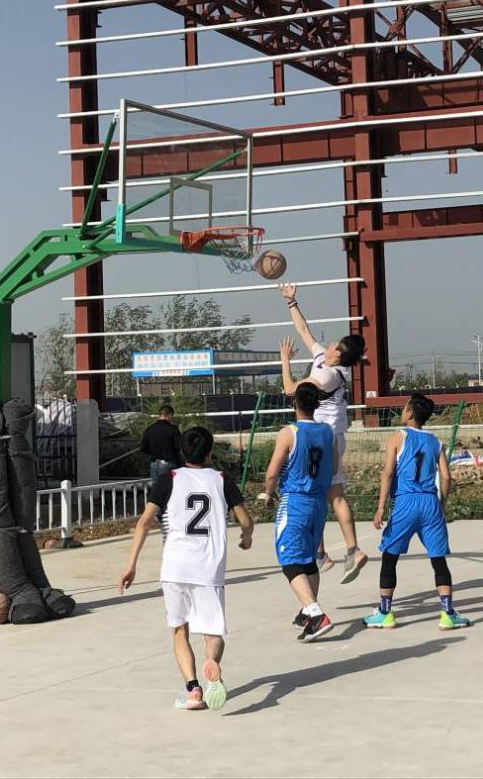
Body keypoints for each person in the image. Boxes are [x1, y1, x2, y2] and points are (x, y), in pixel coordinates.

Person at [119, 426, 253, 711]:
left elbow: (144, 522)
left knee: (180, 630)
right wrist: (246, 537)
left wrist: (131, 565)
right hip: (209, 568)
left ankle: (193, 690)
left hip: (176, 566)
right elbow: (245, 520)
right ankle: (212, 662)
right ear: (210, 452)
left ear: (181, 451)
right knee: (213, 632)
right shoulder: (221, 480)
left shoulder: (170, 479)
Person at [278, 283, 370, 585]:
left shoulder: (328, 374)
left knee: (325, 493)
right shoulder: (325, 360)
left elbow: (291, 390)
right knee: (327, 492)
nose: (329, 343)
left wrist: (285, 361)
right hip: (329, 436)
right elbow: (304, 332)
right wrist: (292, 302)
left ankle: (347, 550)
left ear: (338, 353)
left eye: (335, 343)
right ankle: (326, 553)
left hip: (320, 437)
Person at [364, 393, 473, 631]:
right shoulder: (435, 441)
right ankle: (447, 613)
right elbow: (446, 477)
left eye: (404, 408)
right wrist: (442, 504)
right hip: (430, 502)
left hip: (406, 501)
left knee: (390, 557)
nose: (402, 411)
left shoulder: (398, 436)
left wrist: (380, 506)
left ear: (410, 413)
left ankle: (385, 613)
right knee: (438, 559)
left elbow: (388, 473)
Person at [262, 381, 336, 643]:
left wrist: (268, 493)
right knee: (308, 559)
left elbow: (272, 472)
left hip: (295, 501)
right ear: (317, 404)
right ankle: (307, 612)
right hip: (319, 502)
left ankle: (315, 613)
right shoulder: (328, 432)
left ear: (294, 403)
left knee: (290, 560)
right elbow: (333, 466)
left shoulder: (289, 432)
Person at [140, 404, 182, 481]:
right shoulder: (173, 429)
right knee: (170, 486)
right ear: (170, 415)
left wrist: (154, 452)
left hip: (154, 463)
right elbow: (178, 447)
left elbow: (143, 448)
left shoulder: (150, 429)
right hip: (168, 463)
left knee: (156, 486)